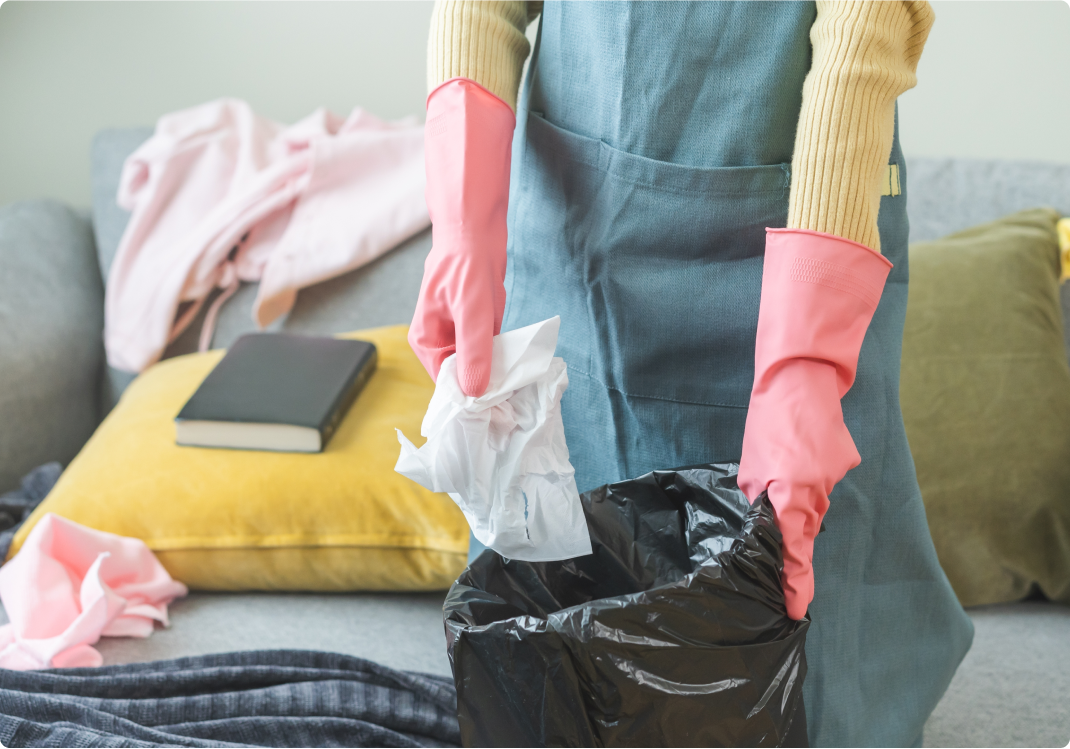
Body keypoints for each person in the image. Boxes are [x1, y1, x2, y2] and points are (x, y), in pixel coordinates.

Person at [408, 0, 973, 744]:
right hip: (577, 242)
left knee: (810, 657)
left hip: (798, 230)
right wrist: (461, 218)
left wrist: (805, 360)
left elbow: (864, 30)